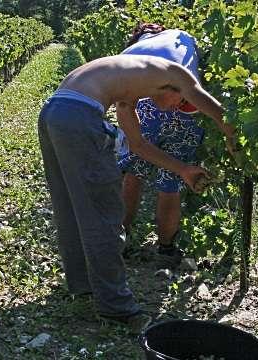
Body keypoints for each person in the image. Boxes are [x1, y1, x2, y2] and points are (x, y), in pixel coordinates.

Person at [38, 53, 232, 332]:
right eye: (180, 103)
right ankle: (117, 308)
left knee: (71, 205)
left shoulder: (128, 89)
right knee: (104, 213)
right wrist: (233, 137)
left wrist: (183, 170)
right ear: (174, 89)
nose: (176, 109)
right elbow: (217, 111)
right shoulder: (176, 72)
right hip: (79, 117)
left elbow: (138, 145)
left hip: (55, 113)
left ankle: (84, 286)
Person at [116, 24, 236, 267]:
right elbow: (215, 111)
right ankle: (166, 249)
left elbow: (128, 104)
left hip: (148, 105)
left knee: (134, 173)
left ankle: (119, 240)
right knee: (171, 181)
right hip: (187, 112)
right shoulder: (181, 43)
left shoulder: (134, 53)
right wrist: (232, 138)